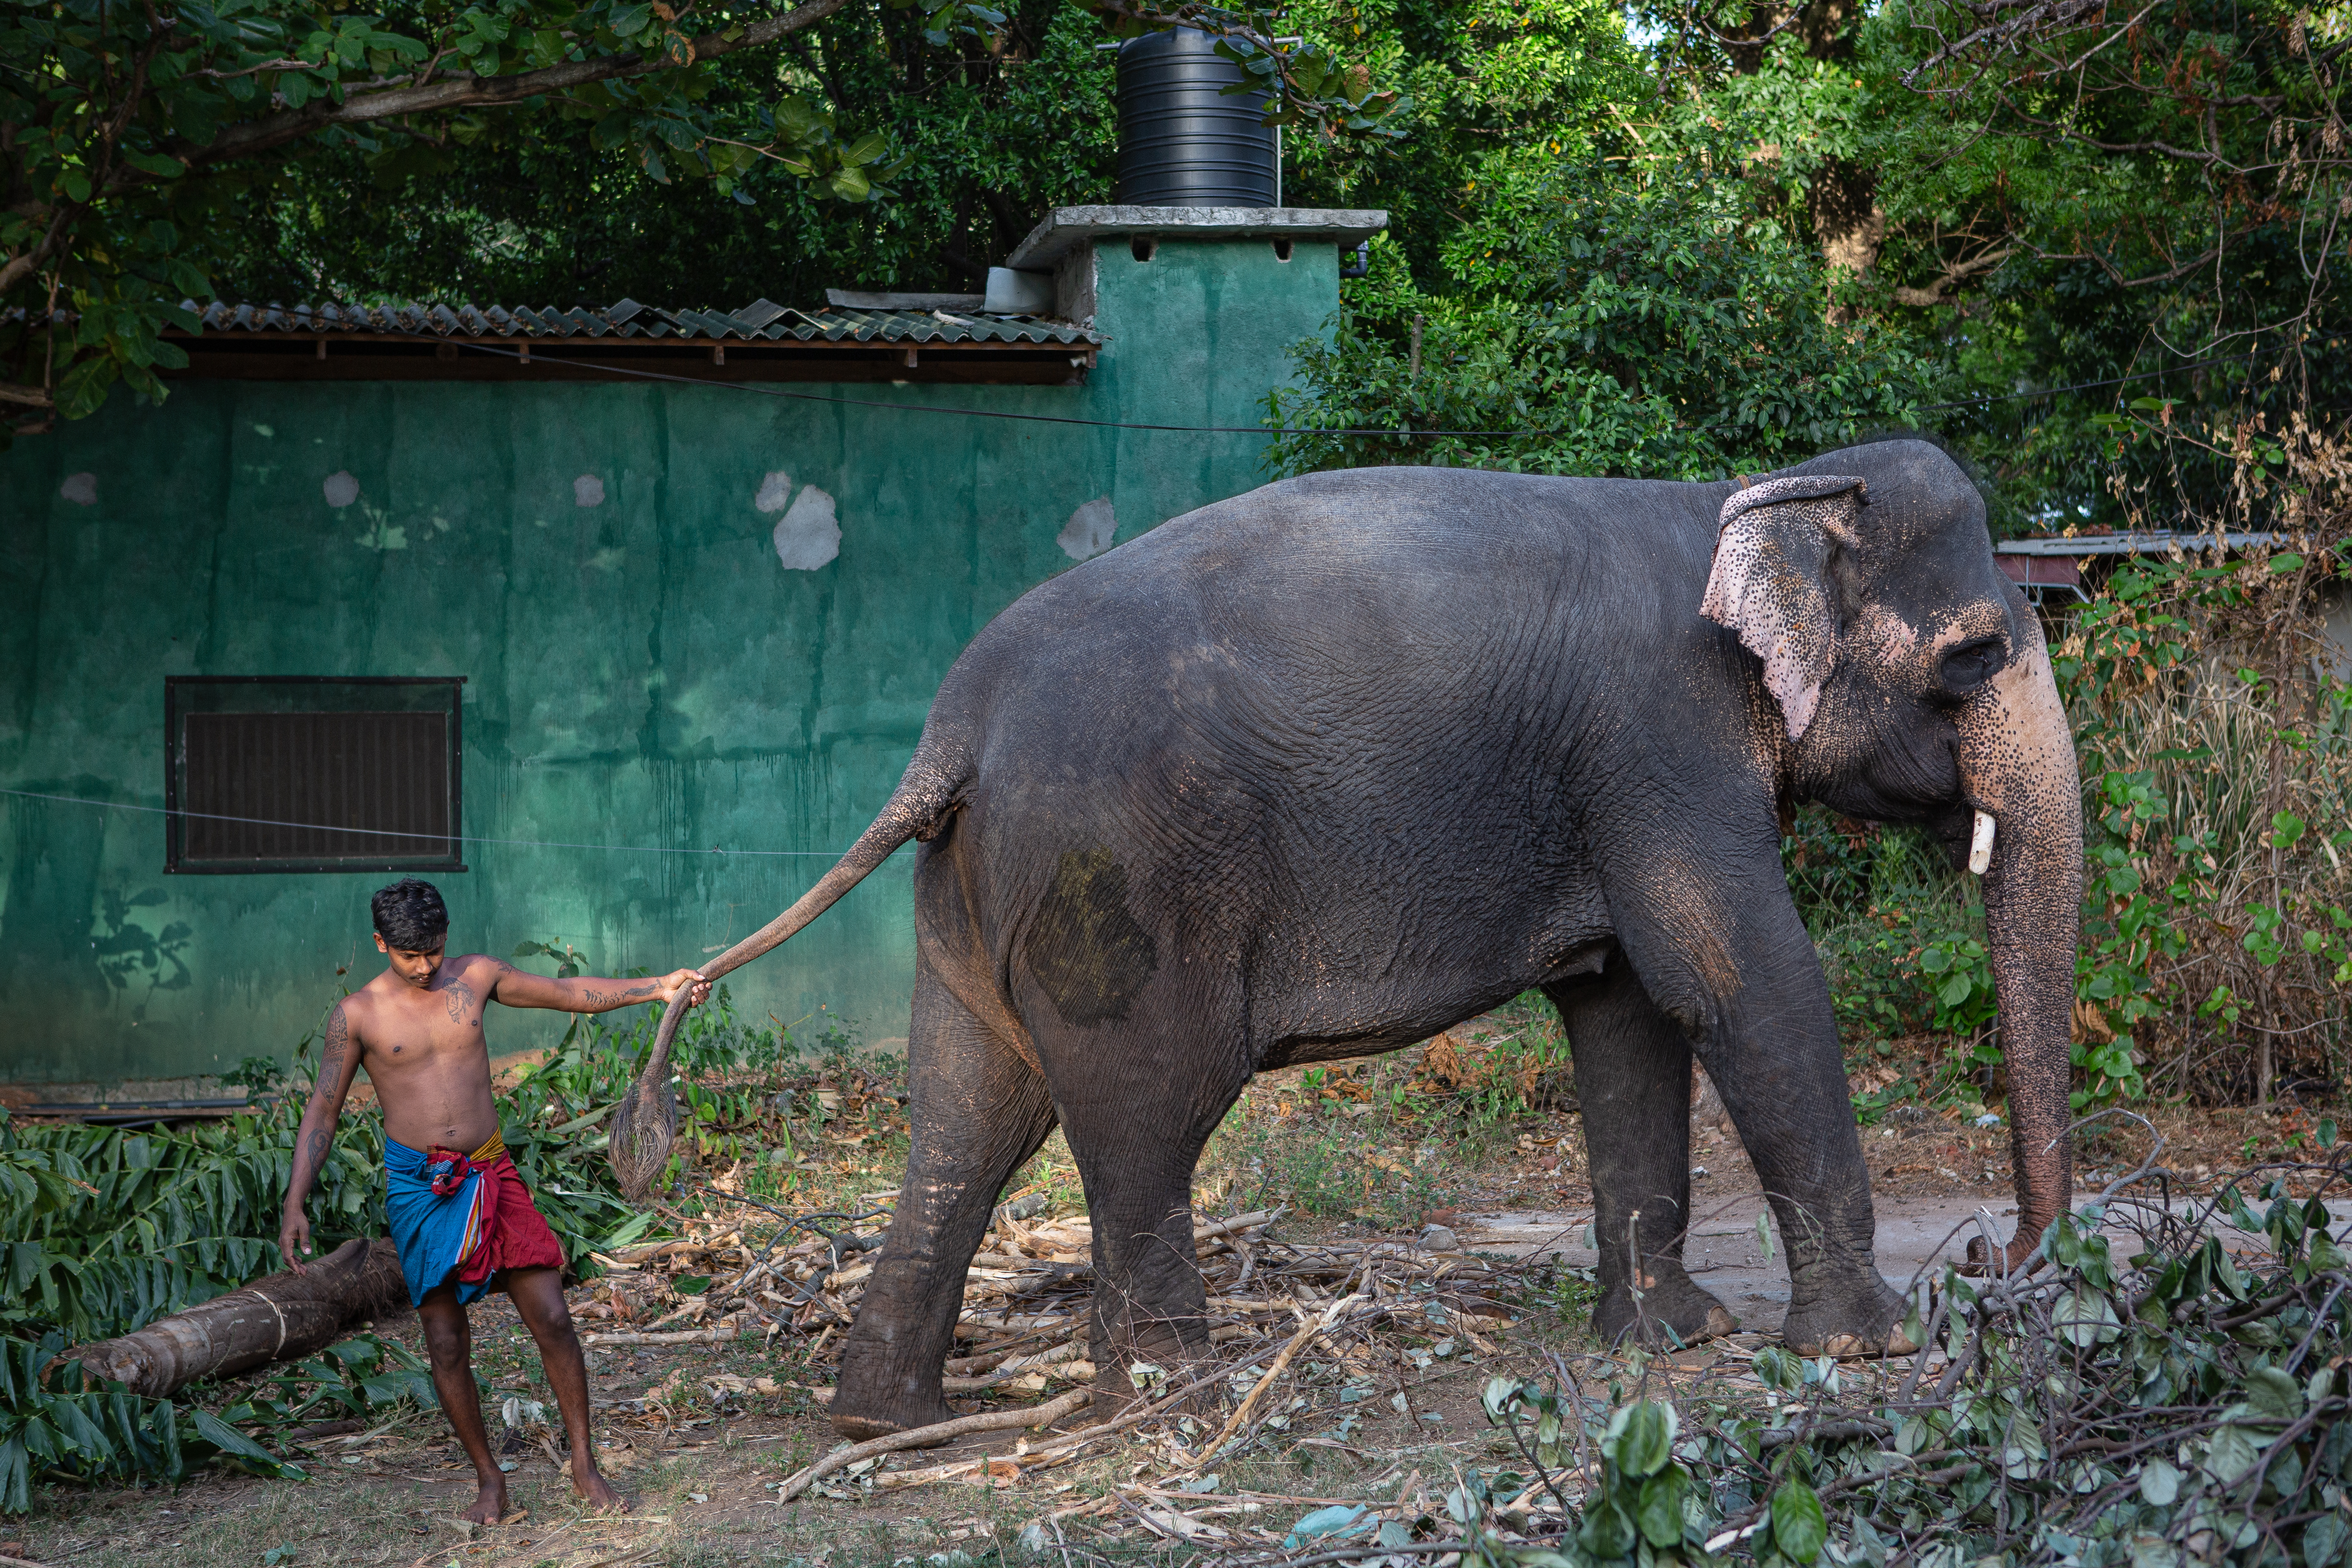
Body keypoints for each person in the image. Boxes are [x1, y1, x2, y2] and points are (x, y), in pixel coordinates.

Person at [278, 877, 709, 1524]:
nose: (424, 966)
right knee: (447, 1341)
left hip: (490, 1172)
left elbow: (567, 993)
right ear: (380, 944)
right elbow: (324, 1108)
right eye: (408, 955)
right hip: (420, 1188)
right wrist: (295, 1200)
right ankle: (489, 1479)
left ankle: (585, 1465)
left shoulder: (475, 977)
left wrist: (658, 986)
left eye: (433, 950)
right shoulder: (357, 1015)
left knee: (554, 1316)